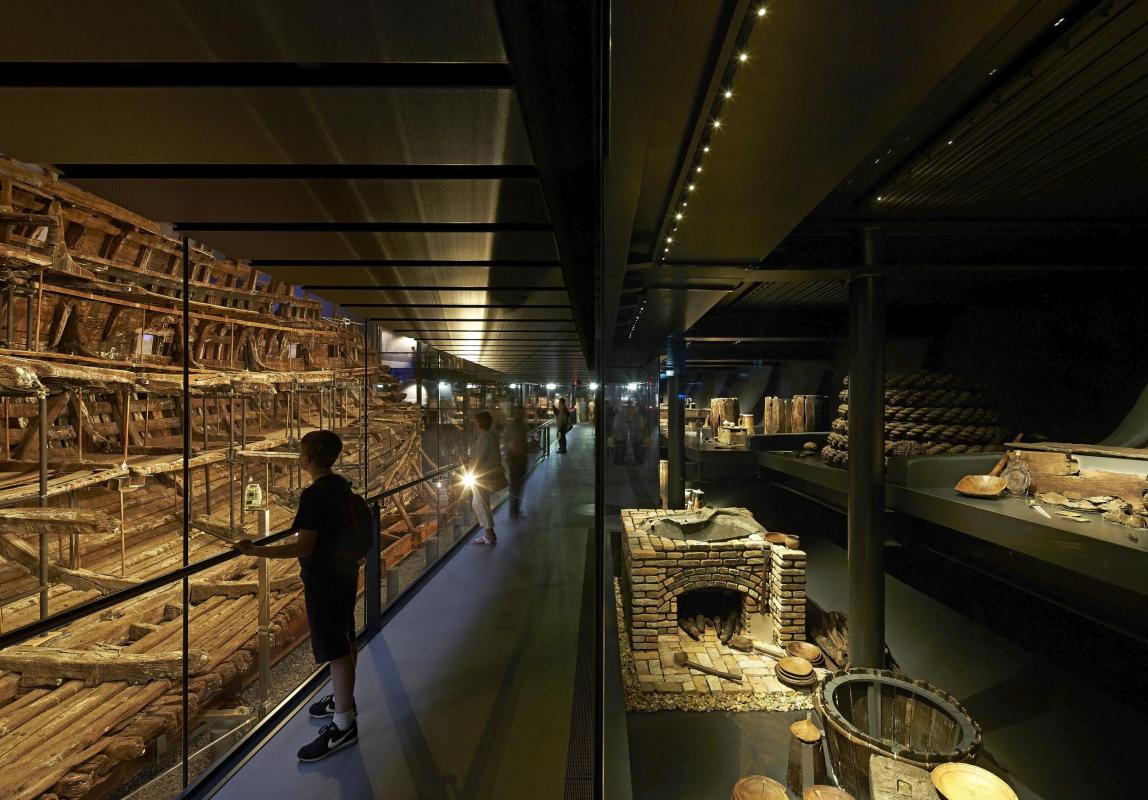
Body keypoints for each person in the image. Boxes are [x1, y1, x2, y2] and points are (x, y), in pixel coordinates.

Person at [234, 430, 360, 762]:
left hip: (325, 580)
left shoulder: (314, 495)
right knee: (346, 637)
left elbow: (304, 546)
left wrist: (257, 551)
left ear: (307, 458)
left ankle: (344, 725)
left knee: (336, 648)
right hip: (345, 572)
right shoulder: (341, 485)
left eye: (301, 450)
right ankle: (343, 699)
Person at [469, 410, 504, 545]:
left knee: (481, 504)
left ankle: (490, 534)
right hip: (487, 474)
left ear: (479, 423)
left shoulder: (484, 438)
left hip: (481, 476)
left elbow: (478, 458)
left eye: (476, 421)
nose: (474, 423)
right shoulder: (492, 436)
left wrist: (469, 465)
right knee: (477, 503)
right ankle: (488, 532)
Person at [502, 405, 529, 518]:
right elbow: (507, 441)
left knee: (518, 484)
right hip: (515, 459)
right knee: (515, 485)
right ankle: (513, 510)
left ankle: (515, 509)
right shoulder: (512, 426)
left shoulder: (519, 426)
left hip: (520, 458)